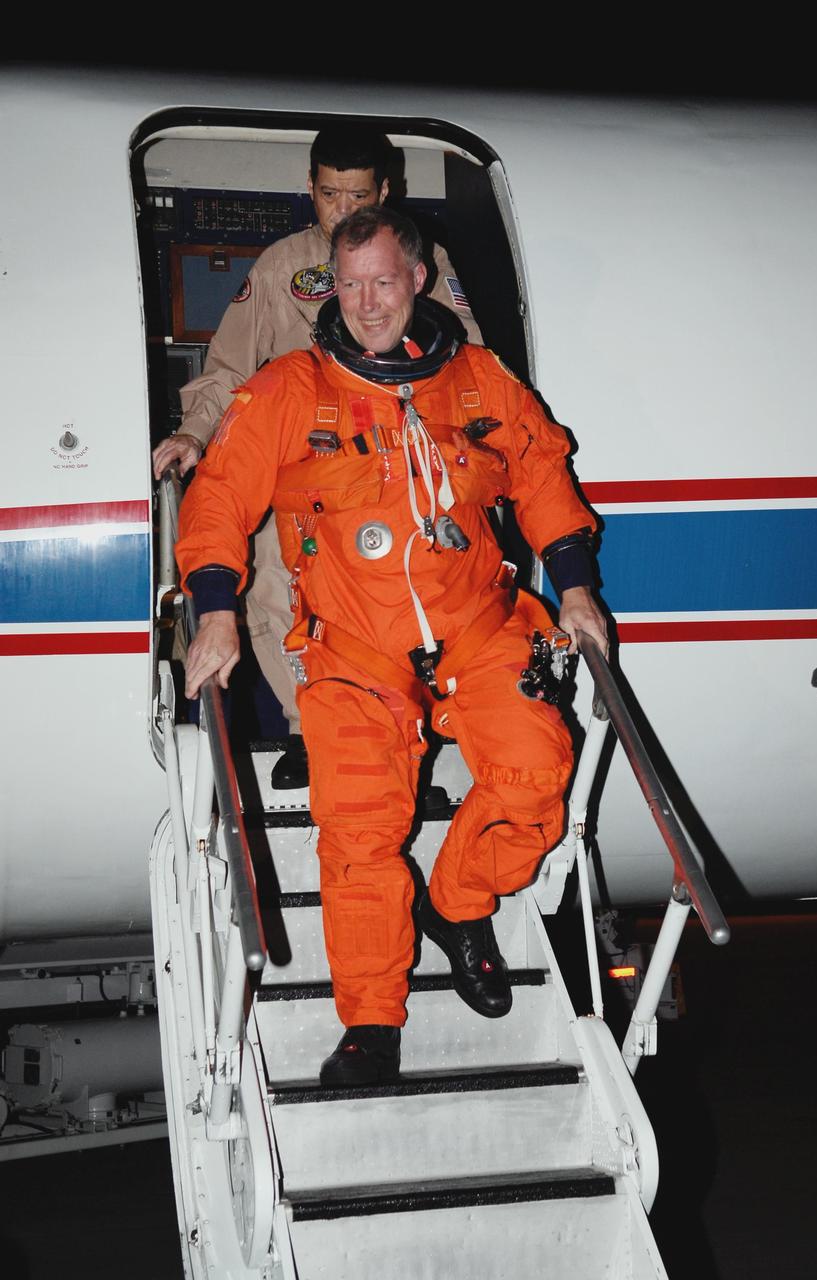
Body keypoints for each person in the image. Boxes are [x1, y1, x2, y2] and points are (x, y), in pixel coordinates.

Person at [176, 206, 607, 1086]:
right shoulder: (291, 388)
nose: (367, 304)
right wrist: (214, 607)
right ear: (330, 285)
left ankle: (458, 903)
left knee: (536, 776)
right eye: (350, 283)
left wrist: (576, 587)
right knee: (361, 831)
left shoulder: (480, 380)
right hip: (355, 649)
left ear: (418, 279)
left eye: (383, 281)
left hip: (480, 627)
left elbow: (540, 470)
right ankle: (372, 1022)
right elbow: (219, 495)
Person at [154, 125, 482, 788]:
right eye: (330, 194)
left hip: (392, 471)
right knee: (275, 595)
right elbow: (229, 369)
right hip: (296, 471)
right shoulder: (281, 268)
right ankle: (313, 728)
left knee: (401, 598)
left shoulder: (420, 261)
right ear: (310, 190)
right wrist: (194, 433)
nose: (343, 209)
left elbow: (467, 359)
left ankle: (405, 722)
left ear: (385, 191)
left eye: (357, 195)